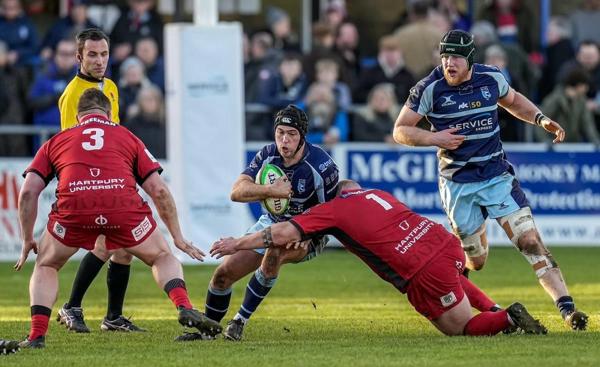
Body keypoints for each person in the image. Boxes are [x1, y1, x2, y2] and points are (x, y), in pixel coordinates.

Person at [393, 29, 588, 330]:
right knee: (477, 260)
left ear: (470, 59)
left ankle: (568, 310)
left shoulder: (491, 78)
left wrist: (540, 118)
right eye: (445, 56)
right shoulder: (428, 88)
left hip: (496, 178)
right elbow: (400, 130)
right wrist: (434, 137)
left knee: (530, 240)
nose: (449, 63)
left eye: (456, 56)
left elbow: (512, 100)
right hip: (458, 185)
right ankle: (467, 288)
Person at [14, 89, 221, 349]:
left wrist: (26, 238)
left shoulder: (57, 140)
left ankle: (36, 336)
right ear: (110, 114)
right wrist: (177, 236)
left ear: (78, 117)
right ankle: (184, 306)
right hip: (122, 209)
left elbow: (28, 192)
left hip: (75, 208)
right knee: (161, 256)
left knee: (46, 265)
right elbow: (159, 190)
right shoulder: (127, 136)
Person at [210, 180, 547, 337]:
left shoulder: (332, 210)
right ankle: (492, 308)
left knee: (458, 328)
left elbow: (281, 234)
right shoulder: (375, 193)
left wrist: (238, 242)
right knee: (456, 280)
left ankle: (507, 320)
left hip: (420, 268)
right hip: (443, 242)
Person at [194, 105, 339, 342]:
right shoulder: (267, 155)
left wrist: (307, 234)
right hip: (270, 222)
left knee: (274, 252)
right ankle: (207, 333)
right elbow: (236, 192)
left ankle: (239, 321)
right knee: (222, 275)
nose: (284, 140)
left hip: (309, 232)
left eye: (291, 134)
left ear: (303, 137)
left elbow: (334, 214)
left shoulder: (322, 167)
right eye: (280, 132)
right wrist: (270, 190)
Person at [57, 28, 139, 333]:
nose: (99, 60)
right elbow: (69, 146)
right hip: (89, 183)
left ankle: (113, 317)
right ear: (79, 57)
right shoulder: (72, 95)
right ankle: (71, 307)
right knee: (106, 245)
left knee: (124, 247)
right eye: (92, 54)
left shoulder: (111, 87)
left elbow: (115, 135)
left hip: (115, 180)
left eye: (104, 54)